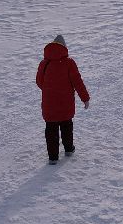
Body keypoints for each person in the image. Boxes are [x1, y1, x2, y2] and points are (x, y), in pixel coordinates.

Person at [36, 34, 90, 164]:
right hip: (66, 104)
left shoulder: (44, 63)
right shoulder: (69, 63)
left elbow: (39, 82)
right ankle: (68, 149)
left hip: (49, 104)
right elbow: (77, 82)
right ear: (64, 48)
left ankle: (53, 157)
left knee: (51, 129)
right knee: (67, 126)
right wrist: (85, 98)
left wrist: (50, 89)